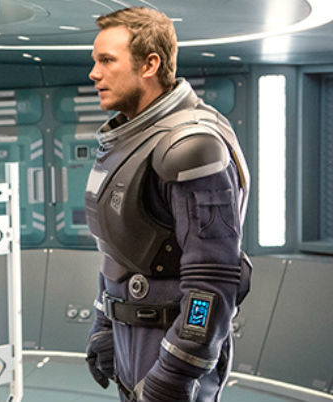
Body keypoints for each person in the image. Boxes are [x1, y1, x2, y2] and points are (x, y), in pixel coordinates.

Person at [83, 7, 252, 402]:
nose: (94, 73)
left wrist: (174, 373)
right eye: (95, 61)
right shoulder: (129, 139)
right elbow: (119, 250)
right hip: (132, 343)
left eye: (107, 60)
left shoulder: (191, 146)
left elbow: (212, 282)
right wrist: (104, 323)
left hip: (170, 352)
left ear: (150, 64)